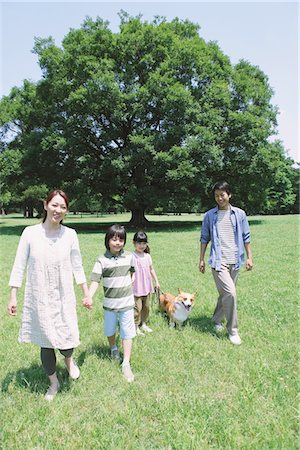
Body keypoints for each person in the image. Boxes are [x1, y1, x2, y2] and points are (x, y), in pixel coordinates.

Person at [8, 189, 91, 401]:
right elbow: (19, 265)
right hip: (40, 296)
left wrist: (86, 293)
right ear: (45, 205)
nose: (58, 210)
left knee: (67, 337)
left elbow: (77, 265)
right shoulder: (30, 233)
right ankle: (53, 382)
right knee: (45, 341)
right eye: (54, 205)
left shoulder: (70, 234)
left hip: (64, 296)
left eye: (63, 207)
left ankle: (69, 360)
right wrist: (13, 295)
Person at [199, 181, 253, 345]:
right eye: (216, 195)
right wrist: (201, 259)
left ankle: (216, 320)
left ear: (229, 195)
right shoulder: (209, 216)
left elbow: (246, 236)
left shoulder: (239, 214)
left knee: (226, 293)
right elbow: (204, 238)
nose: (219, 198)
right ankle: (233, 331)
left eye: (222, 195)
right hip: (218, 261)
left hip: (235, 260)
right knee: (230, 293)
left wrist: (249, 257)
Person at [83, 225, 136, 382]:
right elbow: (95, 281)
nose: (117, 242)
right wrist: (89, 296)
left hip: (127, 303)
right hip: (110, 305)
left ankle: (126, 363)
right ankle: (113, 348)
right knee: (110, 330)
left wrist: (131, 281)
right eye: (114, 239)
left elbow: (133, 270)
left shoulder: (129, 256)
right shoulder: (101, 260)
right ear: (108, 240)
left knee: (127, 332)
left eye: (121, 239)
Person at [132, 230, 160, 336]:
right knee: (137, 308)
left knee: (146, 307)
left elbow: (151, 269)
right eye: (139, 243)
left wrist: (156, 281)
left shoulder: (147, 256)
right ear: (134, 243)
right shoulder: (132, 256)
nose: (142, 246)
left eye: (144, 243)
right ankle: (135, 326)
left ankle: (143, 323)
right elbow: (130, 271)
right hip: (136, 286)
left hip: (146, 286)